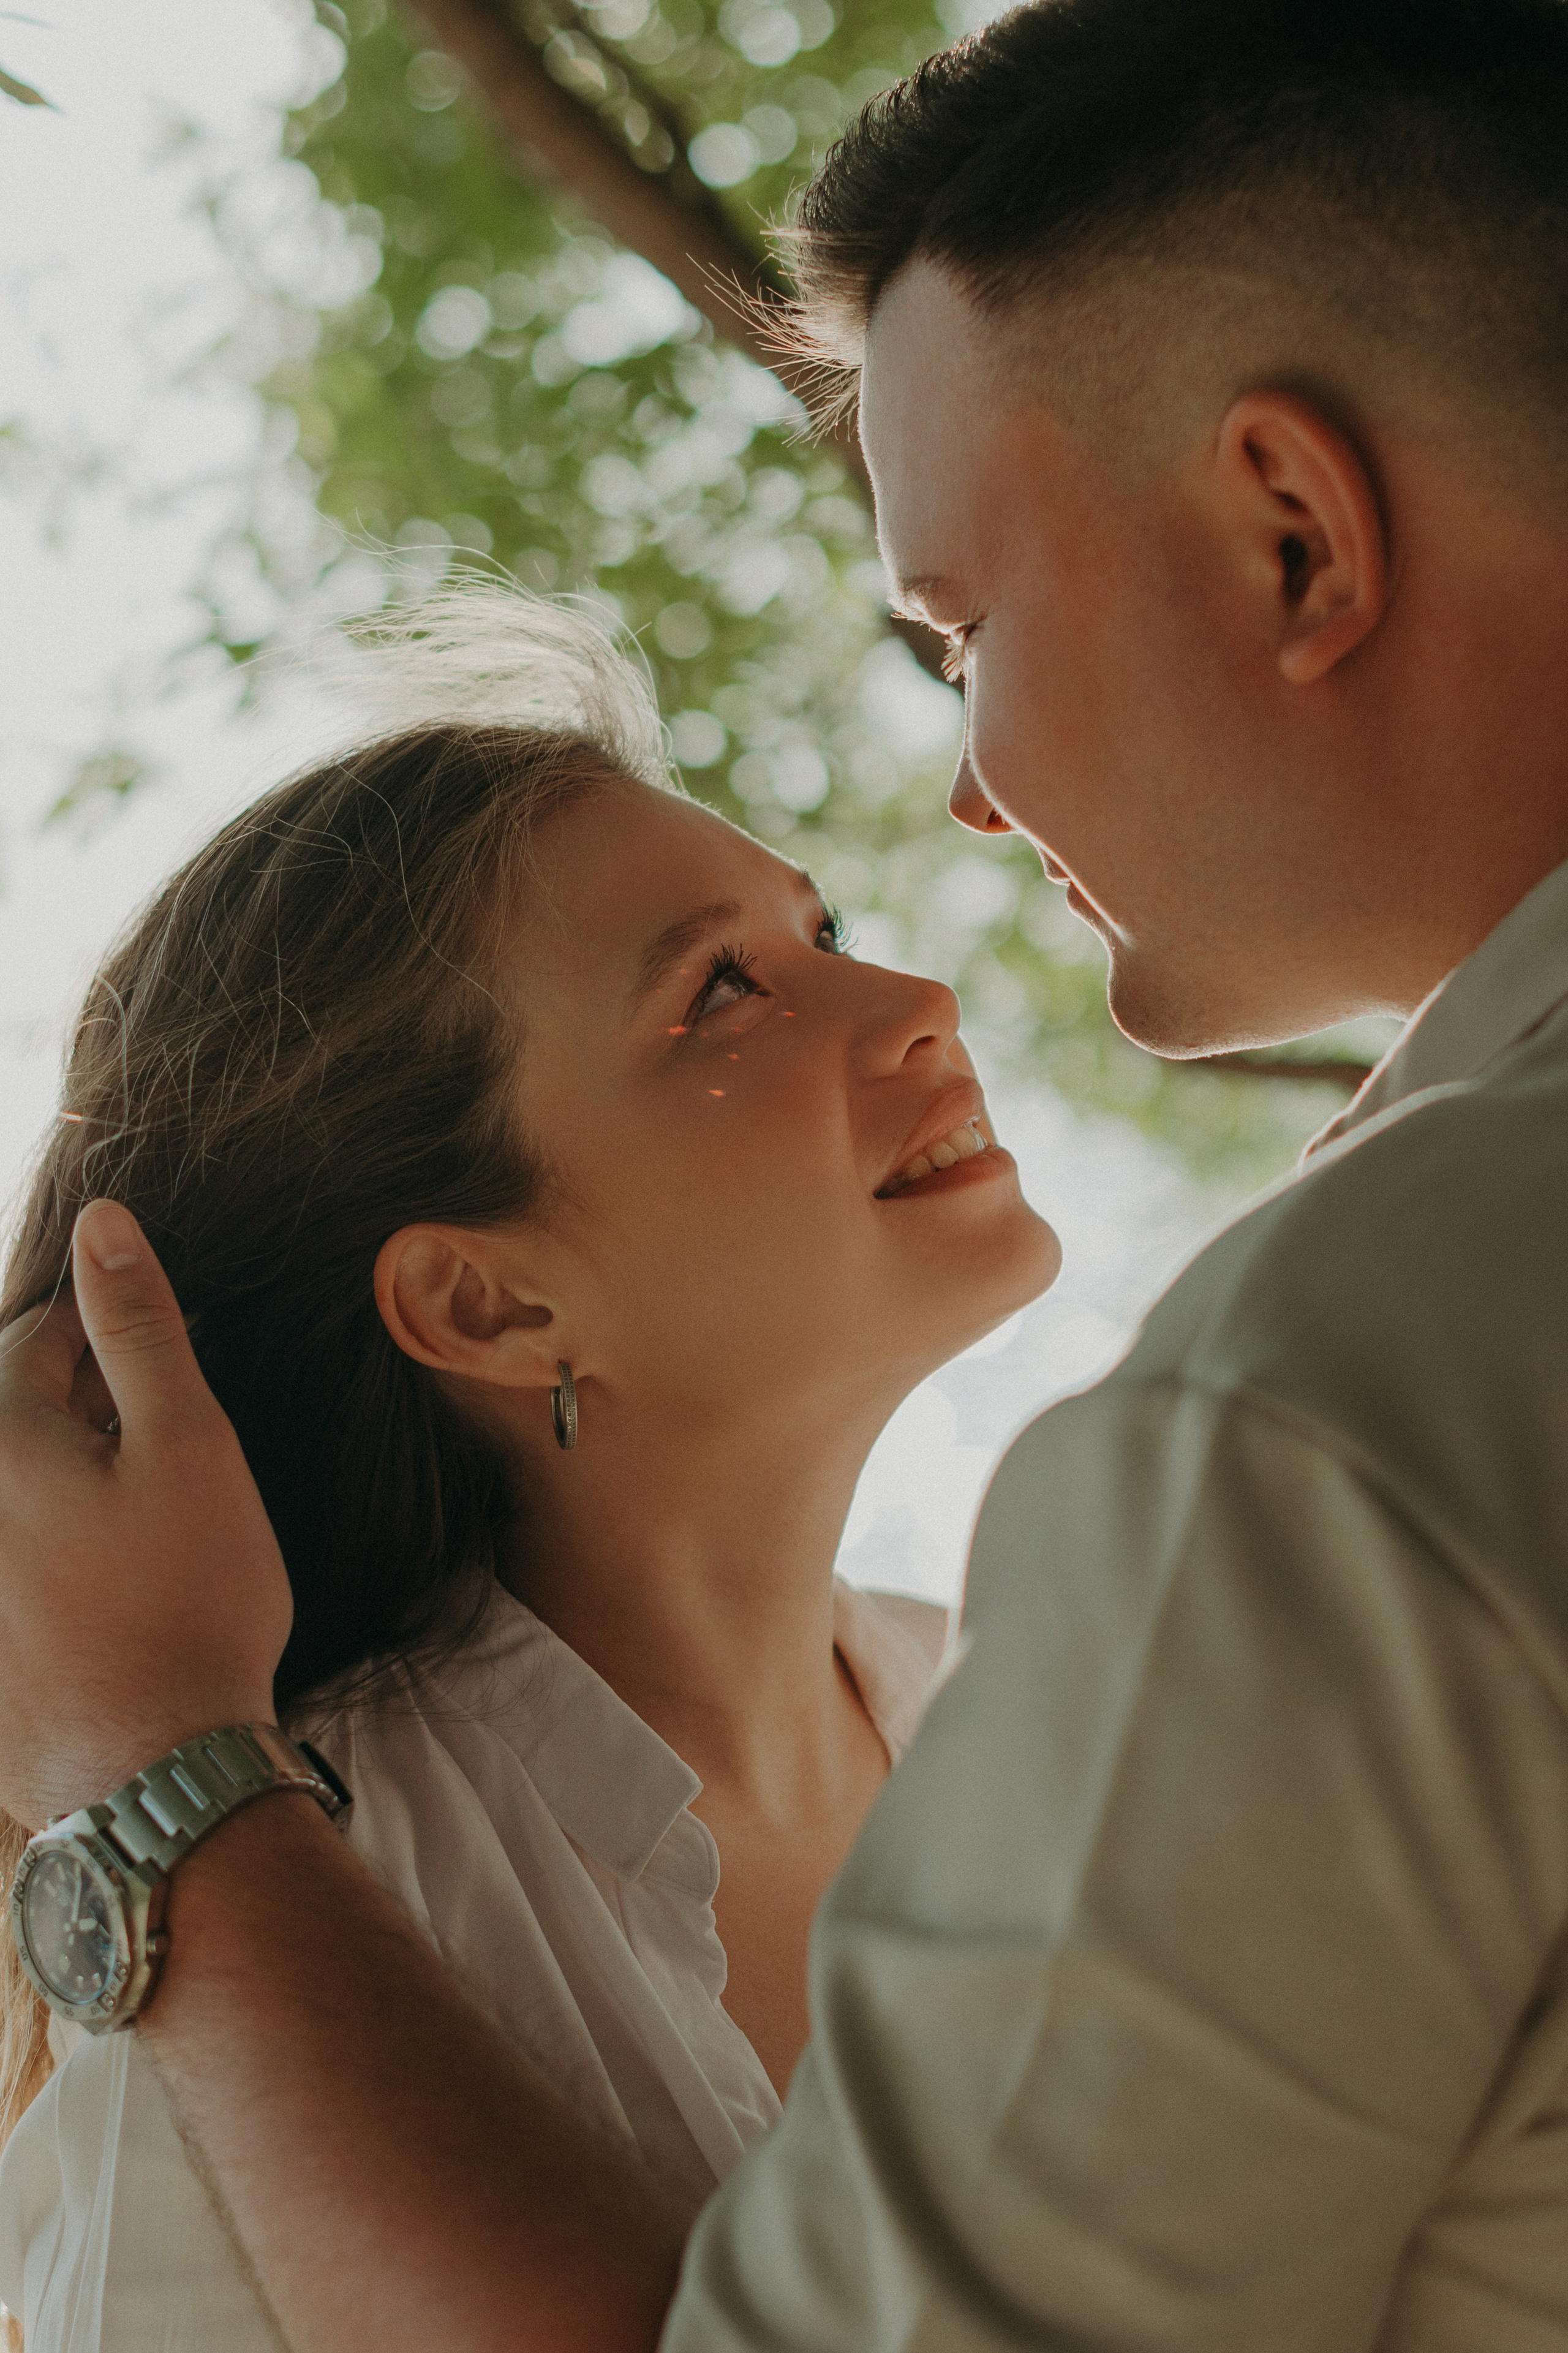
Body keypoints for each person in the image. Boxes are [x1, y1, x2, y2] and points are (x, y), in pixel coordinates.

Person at [5, 0, 1568, 2344]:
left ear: (1293, 528)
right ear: (483, 1300)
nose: (935, 923)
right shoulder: (373, 1867)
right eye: (726, 989)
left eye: (960, 625)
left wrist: (155, 1791)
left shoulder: (1300, 1453)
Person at [0, 587, 1059, 2349]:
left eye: (824, 927)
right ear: (486, 1299)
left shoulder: (1060, 1711)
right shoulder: (262, 1954)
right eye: (724, 988)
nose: (915, 994)